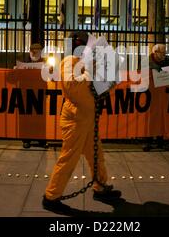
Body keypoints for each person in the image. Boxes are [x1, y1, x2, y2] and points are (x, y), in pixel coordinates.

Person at [42, 31, 121, 213]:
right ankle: (51, 197)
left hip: (87, 118)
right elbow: (73, 88)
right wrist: (92, 71)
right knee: (69, 158)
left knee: (96, 154)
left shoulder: (83, 64)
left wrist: (110, 80)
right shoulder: (69, 62)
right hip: (76, 119)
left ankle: (100, 186)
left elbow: (95, 91)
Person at [145, 43, 169, 151]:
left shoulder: (166, 61)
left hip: (162, 94)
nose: (164, 55)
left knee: (161, 117)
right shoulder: (147, 62)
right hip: (151, 94)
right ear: (155, 53)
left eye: (165, 53)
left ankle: (160, 140)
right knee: (151, 117)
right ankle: (149, 140)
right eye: (162, 53)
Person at [22, 43, 48, 149]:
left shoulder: (45, 62)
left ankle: (41, 140)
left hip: (40, 92)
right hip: (27, 92)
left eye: (38, 50)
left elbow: (51, 76)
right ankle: (26, 139)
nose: (35, 52)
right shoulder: (24, 62)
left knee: (40, 118)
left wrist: (51, 71)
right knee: (27, 117)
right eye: (33, 50)